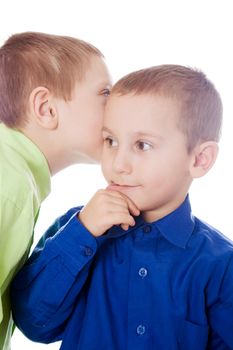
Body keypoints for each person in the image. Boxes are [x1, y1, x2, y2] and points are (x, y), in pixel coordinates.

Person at [11, 65, 233, 349]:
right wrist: (82, 233)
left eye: (142, 145)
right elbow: (33, 323)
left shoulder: (221, 264)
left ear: (200, 159)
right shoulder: (77, 227)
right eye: (111, 141)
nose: (118, 164)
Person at [0, 31, 111, 349]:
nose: (116, 103)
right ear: (46, 109)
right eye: (104, 92)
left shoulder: (15, 172)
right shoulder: (10, 184)